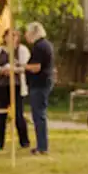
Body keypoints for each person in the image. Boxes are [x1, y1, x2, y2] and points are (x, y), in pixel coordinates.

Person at [0, 28, 31, 152]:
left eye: (14, 36)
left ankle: (24, 142)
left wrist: (12, 69)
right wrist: (1, 70)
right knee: (0, 115)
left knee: (18, 114)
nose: (11, 38)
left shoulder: (22, 50)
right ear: (4, 37)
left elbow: (25, 67)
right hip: (0, 86)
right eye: (9, 36)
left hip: (16, 86)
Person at [24, 22, 55, 155]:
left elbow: (36, 67)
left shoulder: (39, 47)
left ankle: (42, 146)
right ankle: (41, 145)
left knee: (38, 115)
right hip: (43, 83)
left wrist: (23, 66)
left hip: (39, 84)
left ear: (33, 33)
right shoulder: (45, 45)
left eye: (27, 32)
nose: (26, 35)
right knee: (38, 115)